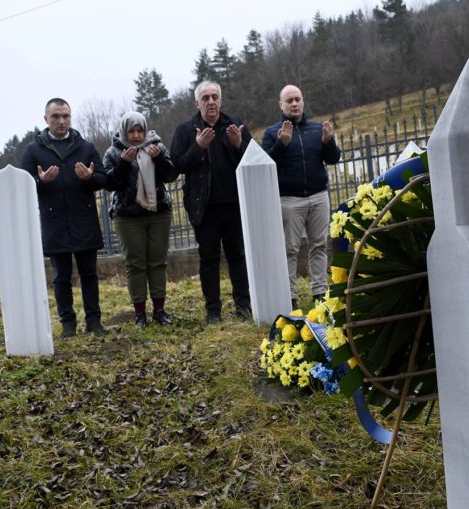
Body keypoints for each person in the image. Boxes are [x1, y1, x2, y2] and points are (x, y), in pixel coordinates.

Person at [20, 97, 107, 338]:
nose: (61, 121)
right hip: (54, 223)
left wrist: (89, 177)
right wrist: (40, 181)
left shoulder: (85, 147)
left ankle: (94, 321)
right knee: (61, 278)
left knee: (89, 275)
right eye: (56, 116)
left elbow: (103, 178)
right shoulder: (33, 150)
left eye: (65, 116)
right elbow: (22, 185)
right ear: (46, 119)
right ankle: (68, 325)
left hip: (84, 221)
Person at [170, 81, 252, 323]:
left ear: (221, 100)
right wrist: (198, 147)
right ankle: (213, 310)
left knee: (238, 255)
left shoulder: (235, 124)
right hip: (203, 207)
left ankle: (243, 305)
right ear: (197, 103)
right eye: (205, 98)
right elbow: (176, 166)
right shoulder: (186, 130)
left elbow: (253, 159)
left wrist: (239, 145)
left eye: (215, 97)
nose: (211, 102)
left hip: (234, 204)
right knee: (209, 259)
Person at [262, 84, 341, 309]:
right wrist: (282, 144)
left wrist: (328, 142)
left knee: (319, 245)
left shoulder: (317, 129)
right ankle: (290, 297)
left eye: (297, 99)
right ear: (281, 105)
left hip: (318, 196)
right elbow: (266, 164)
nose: (294, 104)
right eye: (289, 100)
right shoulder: (272, 132)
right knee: (289, 250)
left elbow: (333, 158)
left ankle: (320, 293)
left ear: (303, 102)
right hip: (289, 200)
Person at [103, 112, 178, 328]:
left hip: (158, 212)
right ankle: (139, 314)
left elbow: (171, 176)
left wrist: (159, 159)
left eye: (140, 131)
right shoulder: (114, 152)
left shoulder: (157, 146)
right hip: (127, 217)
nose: (136, 136)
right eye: (131, 131)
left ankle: (159, 311)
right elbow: (108, 183)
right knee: (135, 264)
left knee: (158, 262)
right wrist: (124, 164)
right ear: (123, 132)